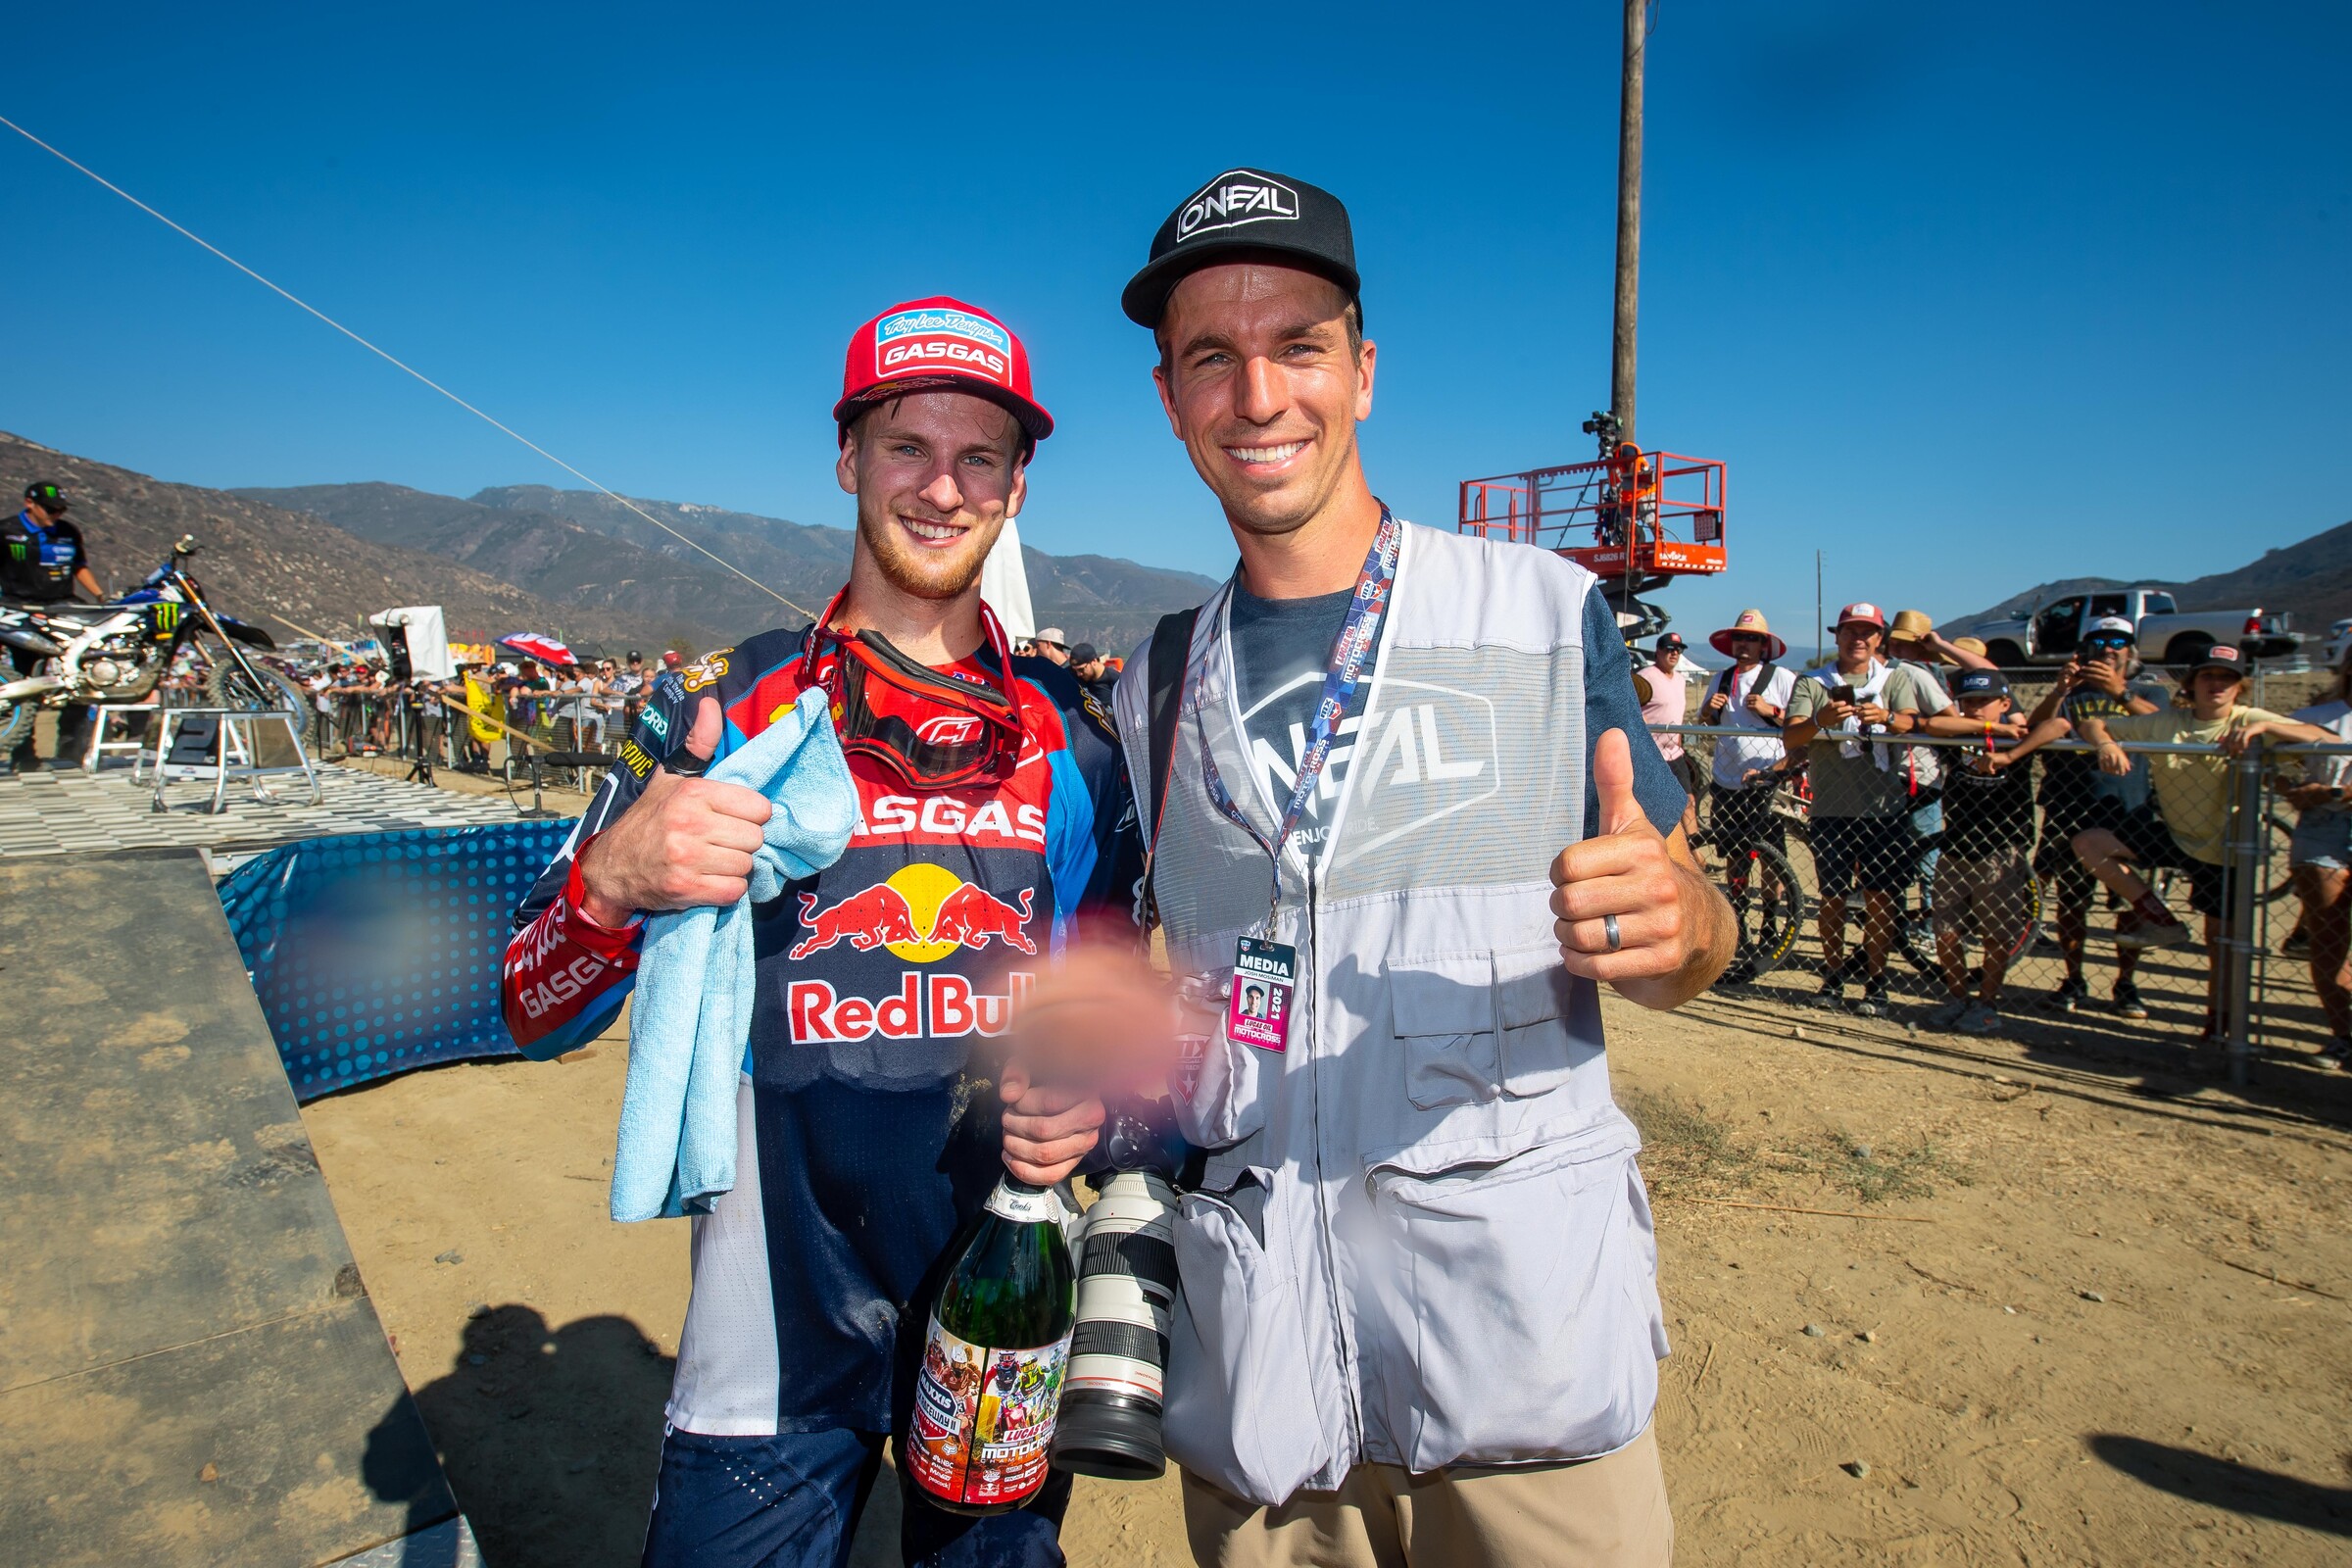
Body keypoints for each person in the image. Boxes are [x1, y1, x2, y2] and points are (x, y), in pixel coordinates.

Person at [1087, 166, 1732, 1568]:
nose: (1258, 396)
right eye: (1213, 356)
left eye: (1298, 347)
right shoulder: (1153, 678)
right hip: (1263, 1395)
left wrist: (1681, 925)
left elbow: (1695, 940)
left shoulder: (1544, 617)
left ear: (1363, 373)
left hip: (1522, 1377)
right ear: (1169, 397)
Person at [500, 296, 1138, 1568]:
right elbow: (530, 1001)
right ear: (847, 459)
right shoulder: (732, 706)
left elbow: (1120, 1033)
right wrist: (614, 882)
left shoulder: (1073, 740)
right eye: (907, 446)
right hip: (770, 1334)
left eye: (981, 457)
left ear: (1018, 485)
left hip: (996, 1306)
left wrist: (1098, 1109)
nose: (942, 488)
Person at [2070, 646, 2328, 1038]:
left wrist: (2263, 730)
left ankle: (2220, 1027)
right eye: (2208, 676)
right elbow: (2090, 726)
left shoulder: (2249, 718)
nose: (2216, 685)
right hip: (2175, 833)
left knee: (2221, 944)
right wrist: (2105, 744)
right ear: (2191, 684)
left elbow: (2320, 735)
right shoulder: (2166, 722)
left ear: (2239, 686)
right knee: (2090, 842)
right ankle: (2160, 918)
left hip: (2225, 849)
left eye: (2226, 678)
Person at [1783, 604, 1937, 1017]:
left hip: (1883, 809)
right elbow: (1791, 737)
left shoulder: (1894, 679)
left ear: (1879, 638)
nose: (1858, 639)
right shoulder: (1813, 682)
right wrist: (1822, 718)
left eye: (1867, 632)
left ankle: (1876, 983)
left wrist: (1886, 716)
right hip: (1831, 809)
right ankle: (1832, 978)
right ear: (1837, 635)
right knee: (1832, 898)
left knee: (1881, 900)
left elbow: (1911, 721)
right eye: (1851, 631)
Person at [2022, 615, 2169, 1016]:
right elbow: (2032, 727)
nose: (2108, 648)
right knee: (2072, 901)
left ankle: (2125, 984)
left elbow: (2164, 724)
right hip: (2070, 807)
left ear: (2130, 651)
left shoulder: (2146, 689)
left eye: (2118, 642)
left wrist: (2118, 691)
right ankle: (2074, 978)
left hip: (2126, 807)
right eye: (2099, 641)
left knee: (2127, 903)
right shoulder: (2071, 692)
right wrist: (2059, 689)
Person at [1920, 669, 2063, 1033]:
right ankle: (1958, 997)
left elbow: (2057, 725)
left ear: (2004, 704)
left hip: (2001, 851)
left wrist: (2010, 755)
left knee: (1996, 933)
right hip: (1955, 847)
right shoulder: (1961, 737)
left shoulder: (2017, 739)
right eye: (1967, 702)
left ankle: (1986, 1003)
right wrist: (1987, 730)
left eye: (1983, 702)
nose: (1974, 708)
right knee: (1946, 930)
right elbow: (1934, 725)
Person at [1697, 610, 1798, 927]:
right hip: (1726, 781)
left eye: (1752, 638)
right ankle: (1738, 916)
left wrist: (1773, 711)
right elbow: (1706, 720)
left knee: (1770, 855)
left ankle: (1769, 920)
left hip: (1766, 782)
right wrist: (1708, 711)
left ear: (1763, 645)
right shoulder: (1722, 677)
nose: (1744, 643)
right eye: (1740, 637)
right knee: (1734, 854)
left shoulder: (1781, 677)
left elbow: (1800, 724)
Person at [2, 480, 106, 770]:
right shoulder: (6, 531)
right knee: (26, 682)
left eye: (60, 509)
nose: (56, 514)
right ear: (29, 504)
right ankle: (23, 755)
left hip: (63, 608)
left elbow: (79, 567)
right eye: (50, 509)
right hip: (20, 611)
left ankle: (71, 749)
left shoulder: (68, 531)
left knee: (79, 675)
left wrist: (99, 595)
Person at [2280, 663, 2352, 1066]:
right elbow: (2274, 761)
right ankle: (2343, 1034)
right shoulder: (2315, 719)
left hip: (2333, 802)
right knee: (2328, 936)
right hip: (2323, 827)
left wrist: (2336, 790)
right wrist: (2292, 789)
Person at [1641, 633, 1705, 805]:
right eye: (1669, 649)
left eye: (1678, 650)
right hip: (1652, 755)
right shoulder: (1645, 677)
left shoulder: (1680, 680)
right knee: (1656, 805)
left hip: (1675, 753)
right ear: (1658, 651)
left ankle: (1693, 833)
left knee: (1688, 802)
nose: (1674, 653)